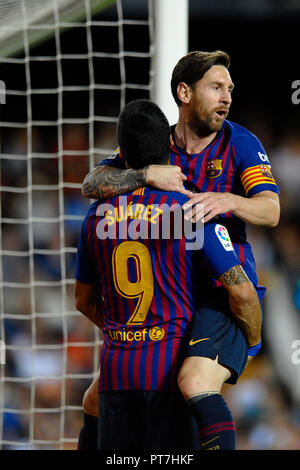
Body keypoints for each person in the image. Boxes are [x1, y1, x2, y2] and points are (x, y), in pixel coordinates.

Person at [79, 50, 280, 449]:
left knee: (192, 381)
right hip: (170, 295)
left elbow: (271, 210)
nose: (227, 97)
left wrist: (229, 201)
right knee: (93, 400)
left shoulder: (239, 142)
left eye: (230, 90)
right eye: (217, 87)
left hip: (221, 291)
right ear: (184, 93)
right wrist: (144, 174)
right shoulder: (156, 147)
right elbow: (91, 184)